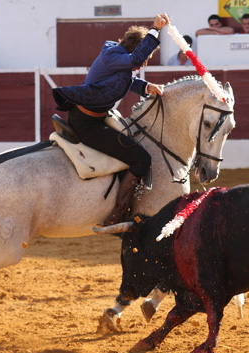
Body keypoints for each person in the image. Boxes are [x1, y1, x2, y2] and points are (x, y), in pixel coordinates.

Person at [52, 13, 171, 226]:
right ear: (136, 48)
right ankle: (116, 214)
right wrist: (155, 30)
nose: (144, 62)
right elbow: (134, 61)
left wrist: (146, 87)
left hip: (95, 117)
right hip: (87, 124)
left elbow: (127, 78)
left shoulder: (116, 56)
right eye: (145, 56)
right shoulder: (115, 55)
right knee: (141, 158)